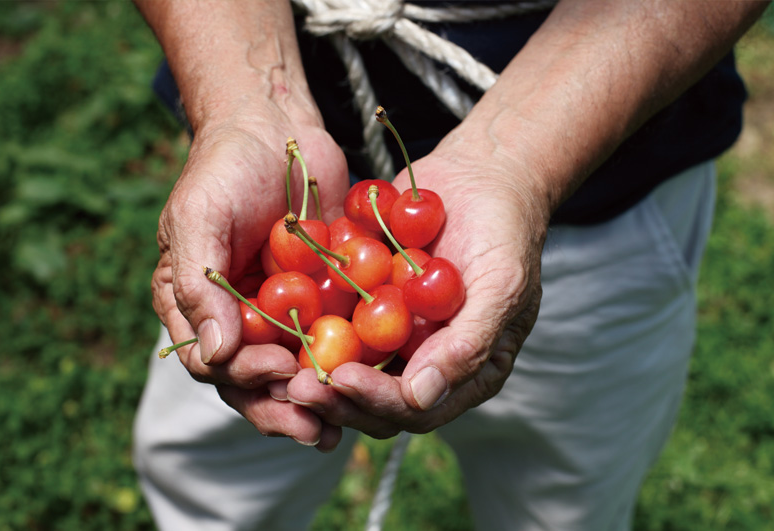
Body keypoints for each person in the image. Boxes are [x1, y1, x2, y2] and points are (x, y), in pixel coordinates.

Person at [132, 1, 768, 529]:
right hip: (280, 206)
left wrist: (516, 159)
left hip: (595, 192)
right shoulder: (294, 265)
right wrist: (248, 96)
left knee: (561, 502)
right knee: (211, 484)